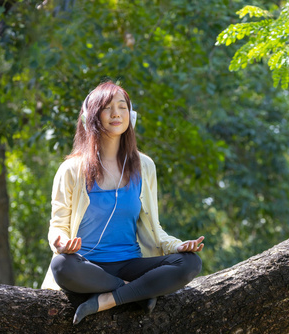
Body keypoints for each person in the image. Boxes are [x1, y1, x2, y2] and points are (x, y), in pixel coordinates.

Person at [41, 81, 204, 325]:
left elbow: (154, 227)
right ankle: (136, 293)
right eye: (107, 108)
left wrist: (177, 246)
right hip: (87, 266)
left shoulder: (144, 166)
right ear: (91, 118)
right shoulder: (71, 169)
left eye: (122, 107)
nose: (116, 113)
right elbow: (58, 225)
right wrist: (60, 242)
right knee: (61, 265)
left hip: (130, 263)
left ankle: (107, 300)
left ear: (131, 116)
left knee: (190, 262)